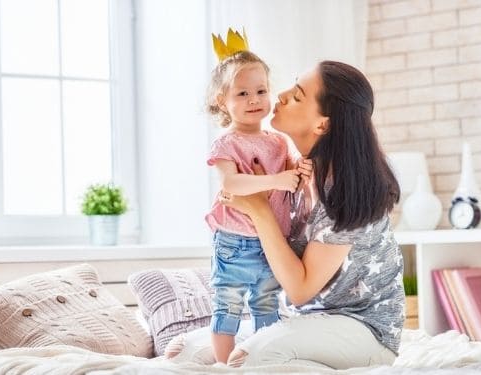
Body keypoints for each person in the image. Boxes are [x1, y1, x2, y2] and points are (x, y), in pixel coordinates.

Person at [170, 60, 404, 369]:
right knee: (184, 352)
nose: (279, 96)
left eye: (296, 96)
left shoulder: (344, 190)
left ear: (322, 124)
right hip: (305, 319)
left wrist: (259, 209)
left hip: (362, 329)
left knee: (248, 359)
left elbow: (300, 289)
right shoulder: (292, 170)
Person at [203, 31, 312, 364]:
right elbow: (232, 184)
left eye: (261, 91)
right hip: (234, 242)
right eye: (243, 93)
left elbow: (288, 171)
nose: (254, 100)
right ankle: (223, 366)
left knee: (266, 304)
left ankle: (264, 362)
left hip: (270, 241)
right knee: (228, 304)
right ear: (223, 100)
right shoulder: (227, 143)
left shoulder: (277, 142)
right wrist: (279, 179)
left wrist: (299, 166)